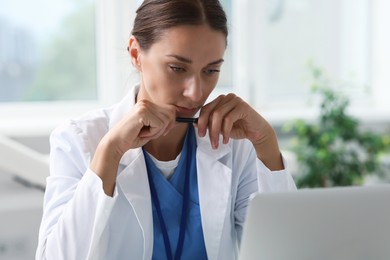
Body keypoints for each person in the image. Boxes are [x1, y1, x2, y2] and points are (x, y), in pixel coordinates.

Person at [36, 0, 296, 259]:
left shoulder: (235, 143)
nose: (195, 92)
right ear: (136, 54)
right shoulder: (79, 140)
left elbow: (287, 253)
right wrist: (109, 153)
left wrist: (266, 142)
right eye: (177, 68)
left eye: (211, 70)